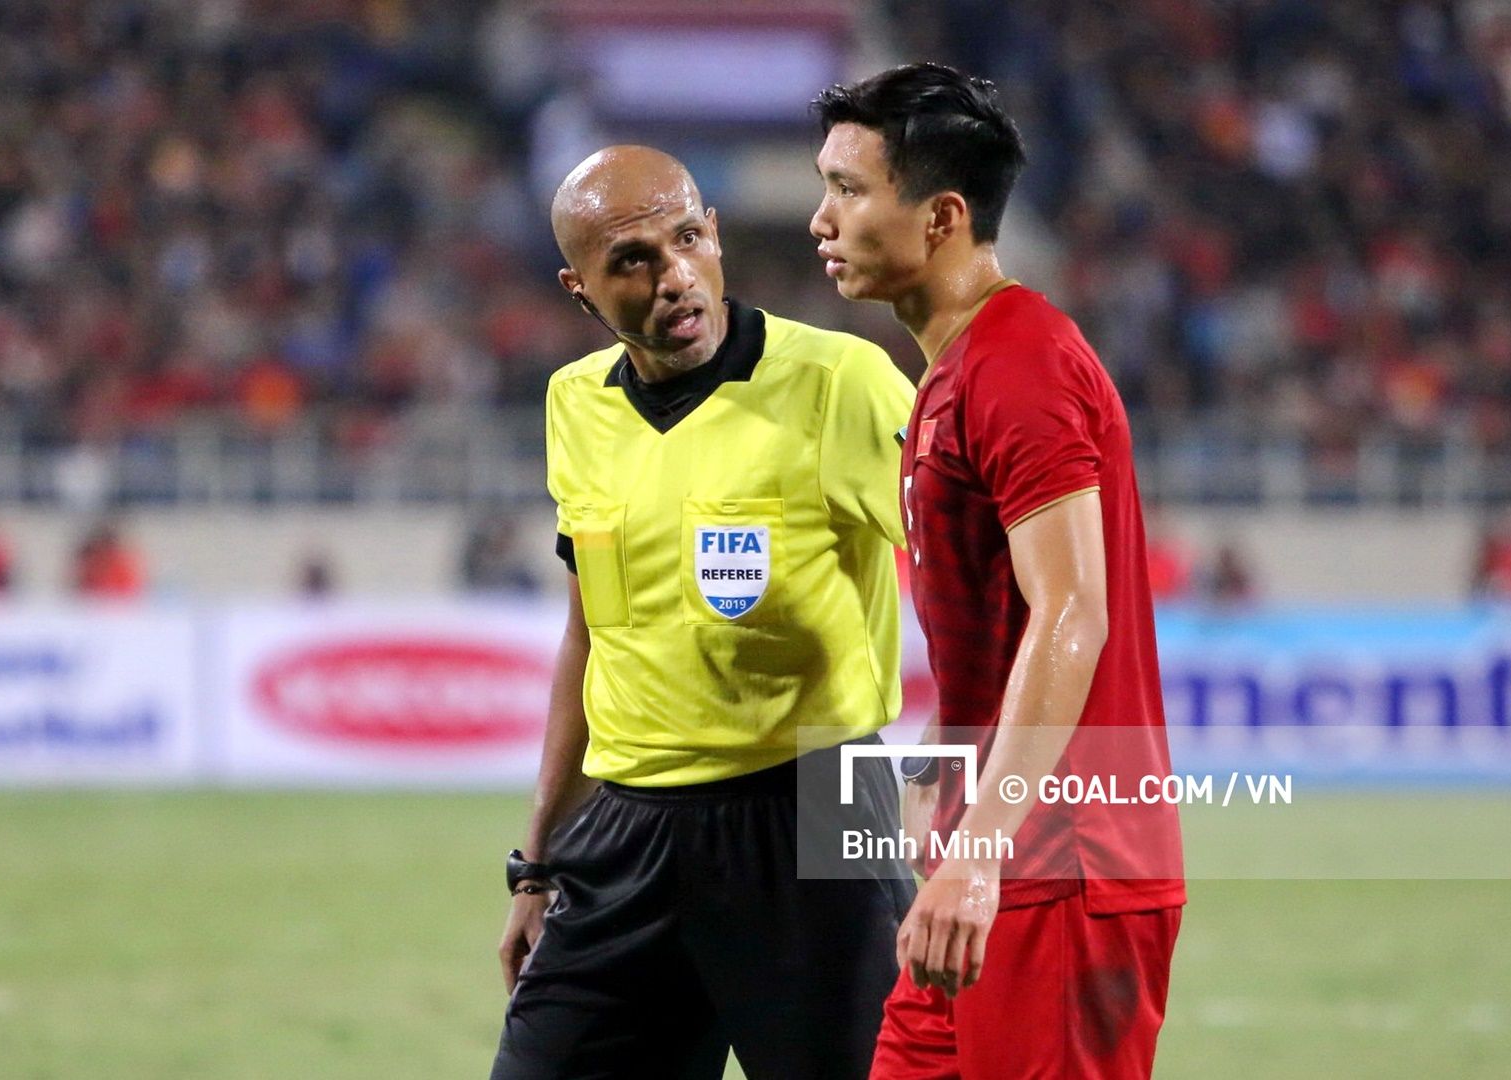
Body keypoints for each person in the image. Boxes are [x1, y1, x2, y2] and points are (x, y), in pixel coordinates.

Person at [491, 145, 918, 1080]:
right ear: (580, 289)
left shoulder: (842, 384)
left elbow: (978, 582)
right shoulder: (575, 405)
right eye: (632, 260)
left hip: (814, 808)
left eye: (687, 238)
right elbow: (590, 636)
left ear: (715, 234)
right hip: (626, 827)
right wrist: (538, 861)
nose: (674, 275)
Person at [810, 64, 1186, 1078]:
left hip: (1068, 867)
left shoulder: (1020, 359)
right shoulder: (954, 373)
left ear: (941, 216)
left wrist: (979, 851)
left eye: (849, 189)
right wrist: (946, 757)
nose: (821, 218)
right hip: (995, 854)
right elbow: (1014, 619)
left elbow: (1074, 612)